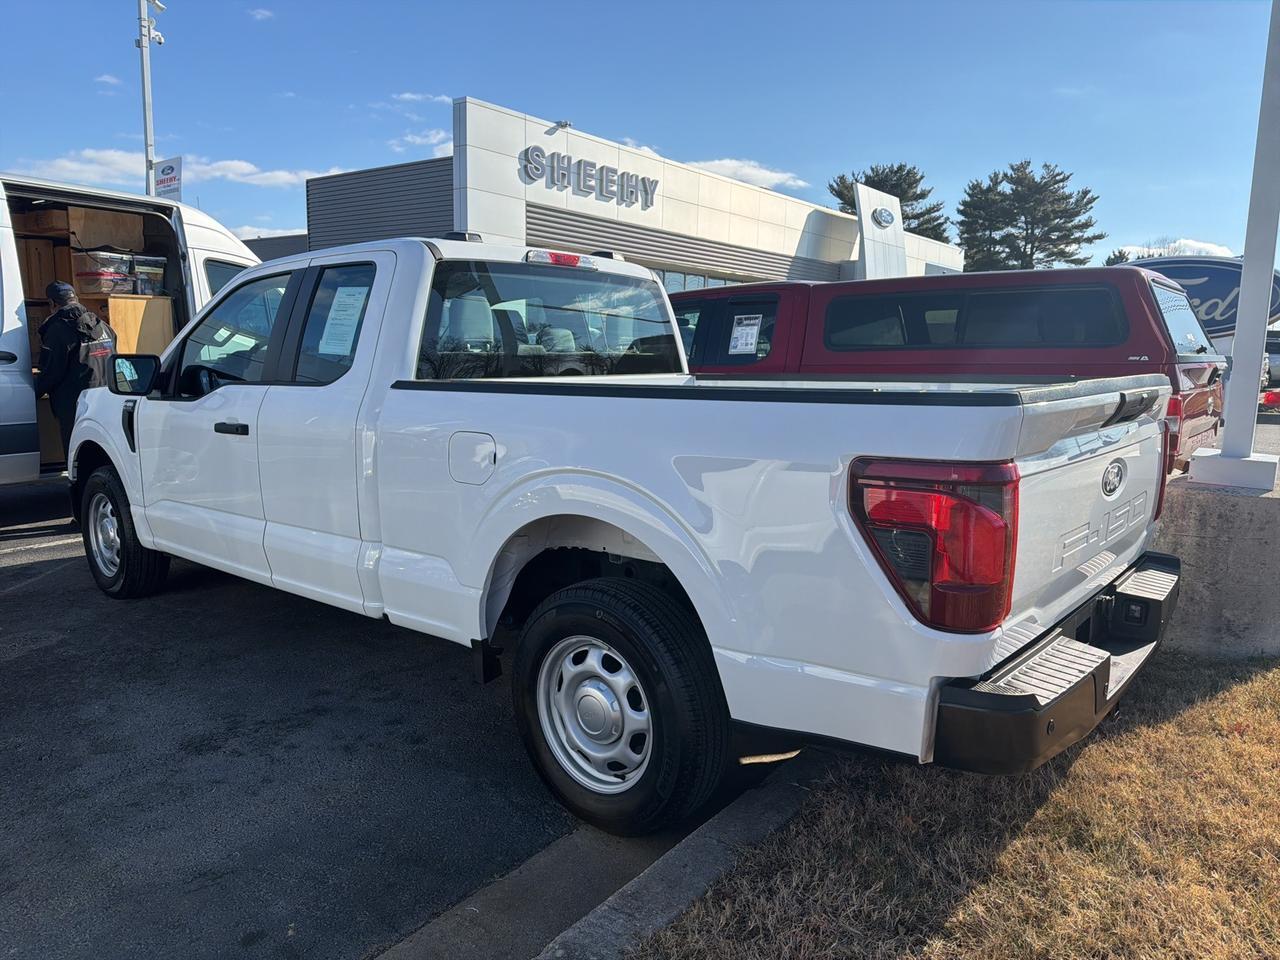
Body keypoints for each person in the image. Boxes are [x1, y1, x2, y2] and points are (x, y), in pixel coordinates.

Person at [34, 281, 117, 460]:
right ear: (75, 298)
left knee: (77, 452)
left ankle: (78, 487)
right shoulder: (101, 324)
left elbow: (51, 371)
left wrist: (32, 392)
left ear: (52, 304)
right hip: (104, 397)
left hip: (75, 403)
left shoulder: (58, 330)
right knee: (103, 450)